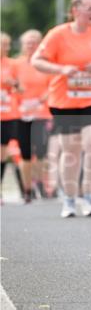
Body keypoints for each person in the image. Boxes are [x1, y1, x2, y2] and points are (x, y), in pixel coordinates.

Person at [32, 0, 91, 217]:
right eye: (88, 8)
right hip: (64, 100)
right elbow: (37, 60)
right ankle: (69, 199)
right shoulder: (58, 34)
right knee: (71, 151)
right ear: (75, 10)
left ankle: (90, 198)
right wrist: (61, 70)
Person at [15, 30, 51, 201]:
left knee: (42, 152)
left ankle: (40, 183)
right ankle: (27, 189)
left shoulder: (45, 64)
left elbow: (53, 86)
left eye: (34, 42)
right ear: (23, 45)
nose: (31, 45)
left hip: (42, 113)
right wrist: (16, 90)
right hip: (21, 113)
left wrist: (39, 100)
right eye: (28, 42)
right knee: (25, 153)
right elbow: (9, 85)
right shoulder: (16, 64)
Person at [1, 32, 20, 198]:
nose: (7, 48)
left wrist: (14, 84)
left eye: (7, 45)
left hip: (8, 113)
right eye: (4, 45)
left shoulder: (12, 64)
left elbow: (21, 88)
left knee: (4, 152)